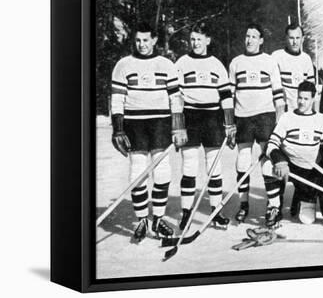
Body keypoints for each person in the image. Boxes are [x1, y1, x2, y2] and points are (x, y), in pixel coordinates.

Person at [110, 22, 178, 243]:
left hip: (160, 122)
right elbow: (117, 99)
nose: (142, 44)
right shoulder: (123, 65)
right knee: (138, 170)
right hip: (135, 123)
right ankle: (141, 220)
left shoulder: (166, 64)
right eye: (138, 40)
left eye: (146, 40)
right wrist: (117, 129)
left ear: (155, 40)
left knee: (162, 171)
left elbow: (175, 98)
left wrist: (178, 126)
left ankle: (158, 219)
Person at [172, 22, 235, 230]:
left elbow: (226, 96)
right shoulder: (182, 62)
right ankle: (187, 212)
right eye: (192, 39)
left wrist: (229, 123)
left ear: (208, 40)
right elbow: (176, 97)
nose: (196, 43)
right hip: (191, 116)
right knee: (189, 166)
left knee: (214, 166)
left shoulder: (217, 64)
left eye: (199, 39)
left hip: (212, 117)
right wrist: (179, 125)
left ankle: (216, 211)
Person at [229, 23, 286, 226]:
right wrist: (229, 123)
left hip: (265, 116)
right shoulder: (236, 62)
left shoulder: (269, 61)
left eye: (254, 36)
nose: (249, 40)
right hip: (243, 117)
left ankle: (274, 206)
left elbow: (278, 94)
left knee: (267, 161)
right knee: (242, 162)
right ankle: (244, 204)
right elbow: (231, 95)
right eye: (247, 35)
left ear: (261, 40)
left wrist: (280, 119)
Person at [266, 81, 323, 225]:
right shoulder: (287, 117)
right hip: (290, 166)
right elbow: (271, 144)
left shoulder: (321, 119)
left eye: (306, 99)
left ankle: (303, 197)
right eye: (300, 98)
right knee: (267, 166)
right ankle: (274, 207)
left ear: (313, 99)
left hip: (310, 170)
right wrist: (279, 160)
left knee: (307, 220)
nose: (301, 102)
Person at [271, 23, 315, 111]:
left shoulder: (306, 59)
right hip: (283, 110)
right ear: (286, 38)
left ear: (303, 39)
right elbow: (274, 85)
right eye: (291, 38)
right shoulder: (277, 56)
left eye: (298, 38)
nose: (295, 42)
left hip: (301, 110)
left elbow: (311, 88)